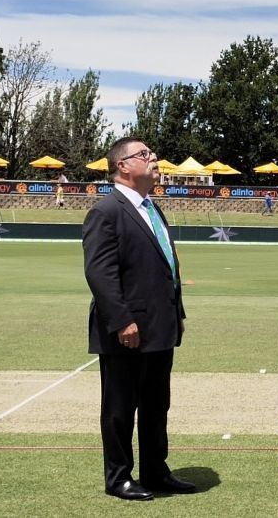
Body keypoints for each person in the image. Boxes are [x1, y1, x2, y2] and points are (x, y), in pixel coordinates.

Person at [82, 137, 195, 501]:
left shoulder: (152, 208)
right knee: (119, 409)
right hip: (125, 330)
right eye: (144, 155)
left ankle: (155, 471)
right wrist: (122, 321)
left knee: (155, 405)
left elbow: (167, 267)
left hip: (159, 327)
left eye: (152, 154)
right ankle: (119, 478)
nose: (154, 159)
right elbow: (100, 273)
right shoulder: (106, 211)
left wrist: (177, 312)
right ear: (122, 166)